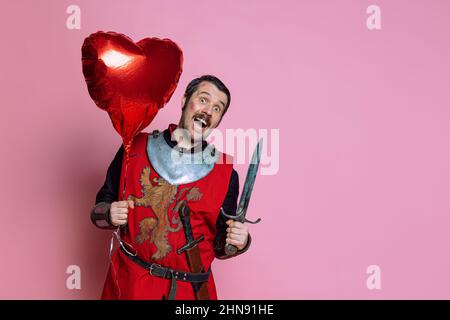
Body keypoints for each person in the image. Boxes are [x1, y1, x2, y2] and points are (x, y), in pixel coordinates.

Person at [90, 75, 251, 300]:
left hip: (190, 293)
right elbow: (98, 212)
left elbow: (221, 246)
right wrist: (108, 212)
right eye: (203, 100)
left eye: (217, 108)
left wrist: (239, 241)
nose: (208, 111)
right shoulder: (133, 148)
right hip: (131, 286)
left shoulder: (225, 174)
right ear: (184, 100)